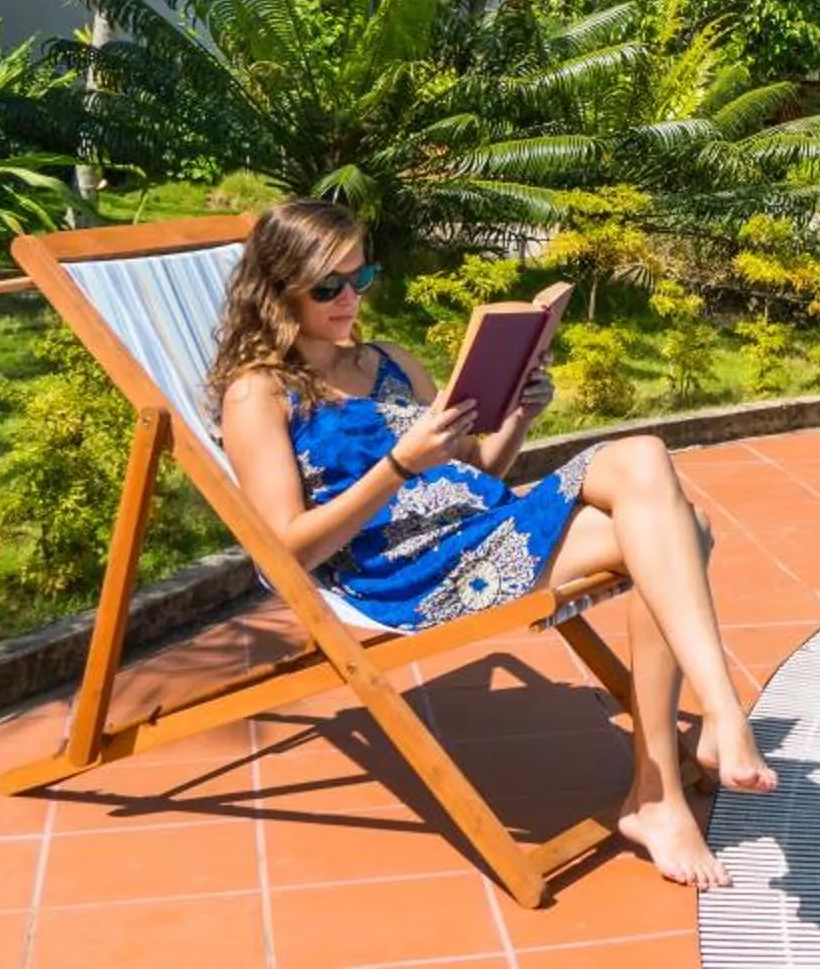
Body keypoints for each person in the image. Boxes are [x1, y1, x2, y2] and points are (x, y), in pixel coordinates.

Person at [209, 198, 776, 888]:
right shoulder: (260, 394)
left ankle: (670, 780)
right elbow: (287, 551)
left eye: (363, 278)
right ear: (277, 289)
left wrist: (520, 415)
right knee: (671, 507)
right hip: (406, 572)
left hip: (480, 526)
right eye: (329, 286)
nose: (351, 298)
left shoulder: (390, 360)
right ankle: (692, 752)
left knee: (667, 500)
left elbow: (474, 472)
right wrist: (398, 466)